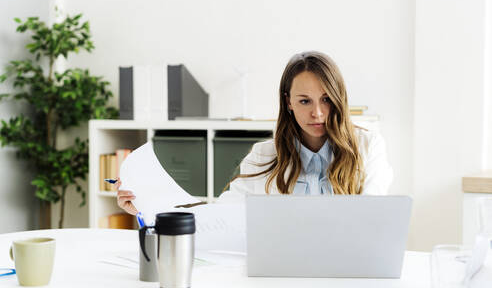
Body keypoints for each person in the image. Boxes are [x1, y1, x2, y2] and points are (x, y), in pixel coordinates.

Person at [117, 51, 392, 215]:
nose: (317, 113)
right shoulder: (264, 154)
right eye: (305, 101)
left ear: (338, 99)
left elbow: (371, 218)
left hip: (347, 271)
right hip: (282, 273)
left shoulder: (368, 146)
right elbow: (220, 215)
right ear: (289, 103)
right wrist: (150, 208)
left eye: (326, 99)